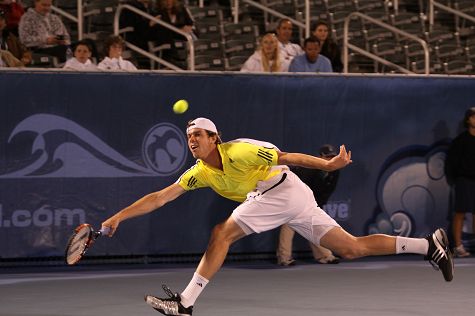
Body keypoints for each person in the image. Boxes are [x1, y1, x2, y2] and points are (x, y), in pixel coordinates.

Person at [102, 117, 454, 316]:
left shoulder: (241, 150)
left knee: (221, 233)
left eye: (199, 135)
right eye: (189, 136)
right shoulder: (201, 173)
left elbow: (289, 157)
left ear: (215, 137)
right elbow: (161, 197)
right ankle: (427, 245)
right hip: (288, 197)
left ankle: (186, 303)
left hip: (281, 190)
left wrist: (329, 164)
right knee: (350, 248)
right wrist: (119, 216)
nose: (192, 140)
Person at [277, 144, 340, 265]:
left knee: (315, 226)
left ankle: (325, 256)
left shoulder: (335, 170)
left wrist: (318, 206)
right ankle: (284, 258)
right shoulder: (309, 169)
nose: (330, 159)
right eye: (327, 157)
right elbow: (296, 186)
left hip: (312, 201)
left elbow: (328, 190)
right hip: (294, 196)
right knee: (289, 225)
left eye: (332, 156)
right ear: (320, 156)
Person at [445, 107, 475, 257]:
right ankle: (457, 246)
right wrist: (454, 178)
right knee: (460, 212)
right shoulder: (460, 141)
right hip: (464, 181)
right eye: (474, 117)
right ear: (468, 120)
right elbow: (451, 162)